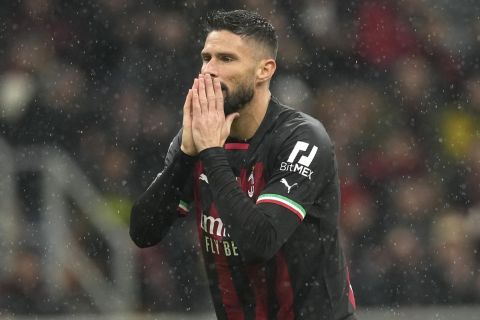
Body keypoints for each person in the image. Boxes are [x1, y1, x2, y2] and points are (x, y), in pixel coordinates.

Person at [129, 9, 357, 320]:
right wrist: (185, 155)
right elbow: (144, 232)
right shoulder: (197, 138)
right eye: (206, 57)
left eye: (225, 59)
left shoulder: (302, 138)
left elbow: (259, 242)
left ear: (264, 70)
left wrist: (211, 152)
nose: (209, 70)